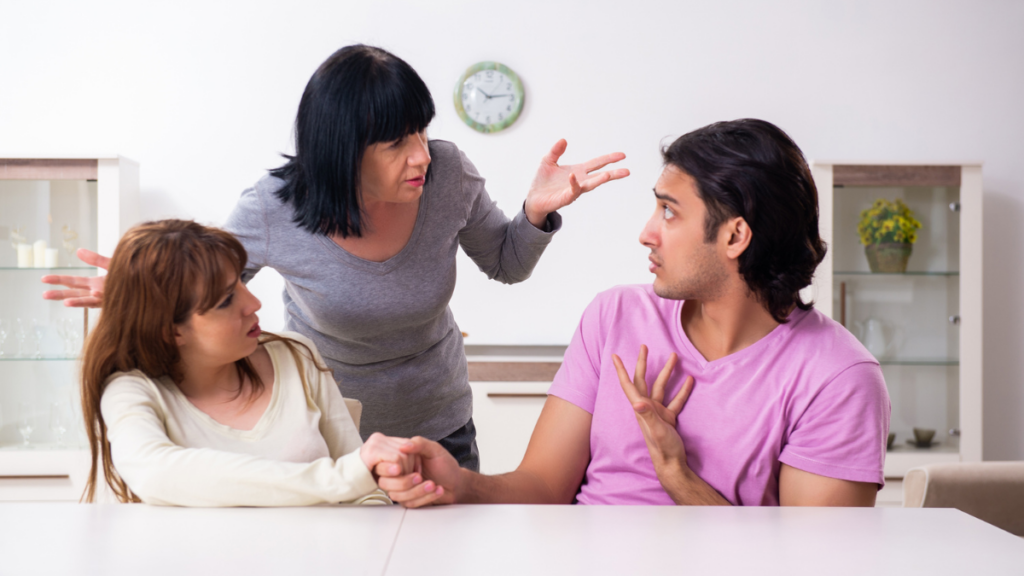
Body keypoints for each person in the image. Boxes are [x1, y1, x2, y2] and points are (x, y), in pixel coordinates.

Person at [43, 45, 629, 472]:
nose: (421, 154)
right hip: (327, 433)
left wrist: (535, 212)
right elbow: (205, 290)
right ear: (343, 149)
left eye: (421, 132)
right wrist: (142, 292)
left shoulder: (449, 174)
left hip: (442, 426)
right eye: (396, 141)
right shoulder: (276, 207)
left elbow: (506, 262)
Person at [377, 119, 891, 507]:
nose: (647, 231)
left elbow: (808, 562)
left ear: (735, 235)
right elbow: (542, 487)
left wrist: (677, 474)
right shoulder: (615, 316)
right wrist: (460, 482)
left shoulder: (837, 377)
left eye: (669, 211)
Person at [82, 219, 423, 506]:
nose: (253, 303)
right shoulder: (130, 390)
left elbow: (365, 495)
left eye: (241, 284)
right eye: (227, 299)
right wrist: (342, 478)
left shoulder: (295, 355)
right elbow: (155, 470)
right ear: (171, 331)